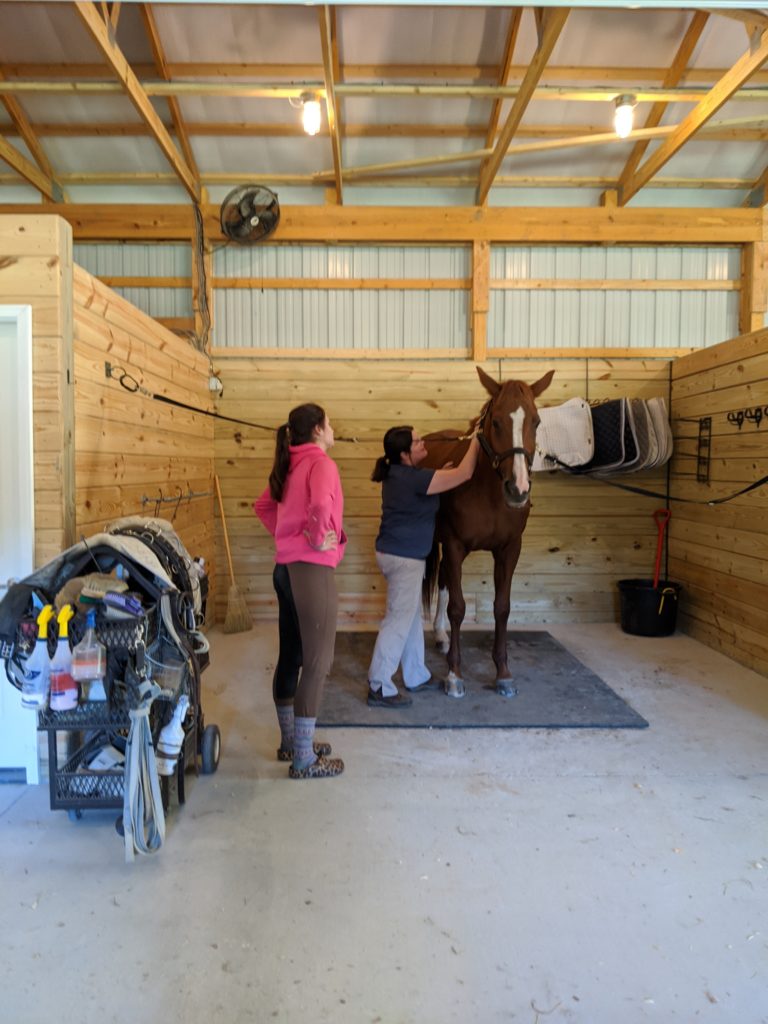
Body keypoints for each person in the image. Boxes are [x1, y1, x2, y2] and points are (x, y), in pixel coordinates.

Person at [253, 403, 346, 778]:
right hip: (311, 569)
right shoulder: (321, 463)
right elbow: (321, 503)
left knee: (292, 656)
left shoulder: (289, 463)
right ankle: (304, 759)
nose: (333, 429)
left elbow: (263, 506)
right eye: (330, 423)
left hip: (284, 568)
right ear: (318, 430)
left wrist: (287, 537)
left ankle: (292, 743)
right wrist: (315, 537)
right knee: (318, 662)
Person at [367, 426, 480, 707]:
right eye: (417, 442)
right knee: (398, 620)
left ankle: (416, 674)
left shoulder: (402, 474)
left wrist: (440, 473)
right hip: (403, 560)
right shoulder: (413, 479)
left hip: (398, 555)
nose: (423, 443)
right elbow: (465, 473)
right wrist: (476, 441)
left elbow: (428, 485)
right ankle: (379, 685)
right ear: (404, 454)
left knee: (411, 616)